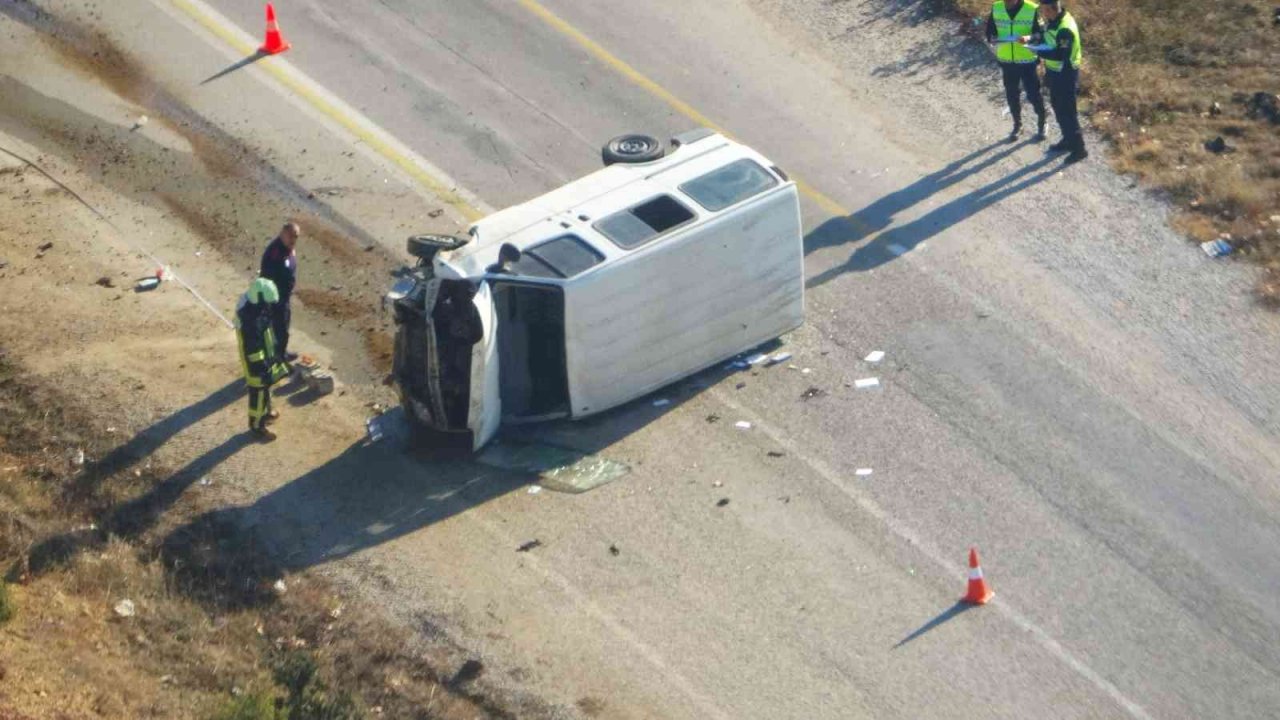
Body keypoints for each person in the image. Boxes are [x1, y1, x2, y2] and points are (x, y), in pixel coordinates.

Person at [1021, 0, 1087, 163]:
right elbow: (1045, 36)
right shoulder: (1054, 20)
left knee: (1067, 111)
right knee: (1057, 106)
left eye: (1044, 10)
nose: (1042, 13)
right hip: (1054, 72)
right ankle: (1068, 139)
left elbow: (1060, 55)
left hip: (1066, 74)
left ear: (1052, 9)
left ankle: (1079, 149)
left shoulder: (1065, 29)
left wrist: (1037, 51)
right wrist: (1031, 39)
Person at [236, 277, 291, 441]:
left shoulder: (256, 305)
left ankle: (266, 413)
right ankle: (256, 426)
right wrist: (261, 366)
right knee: (258, 392)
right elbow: (252, 348)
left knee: (266, 387)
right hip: (255, 364)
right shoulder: (249, 319)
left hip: (264, 357)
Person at [985, 0, 1047, 142]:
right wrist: (994, 39)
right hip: (1007, 60)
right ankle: (1017, 125)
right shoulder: (997, 7)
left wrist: (1028, 38)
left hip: (1027, 60)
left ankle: (1042, 122)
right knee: (1011, 94)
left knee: (1033, 94)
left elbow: (1041, 34)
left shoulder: (1032, 9)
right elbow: (989, 33)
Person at [259, 221, 301, 362]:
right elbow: (267, 277)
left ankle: (282, 352)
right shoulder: (275, 253)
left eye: (296, 236)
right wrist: (270, 300)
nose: (293, 239)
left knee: (284, 327)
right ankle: (277, 357)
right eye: (291, 236)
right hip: (275, 299)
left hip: (284, 297)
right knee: (278, 329)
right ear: (283, 234)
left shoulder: (289, 249)